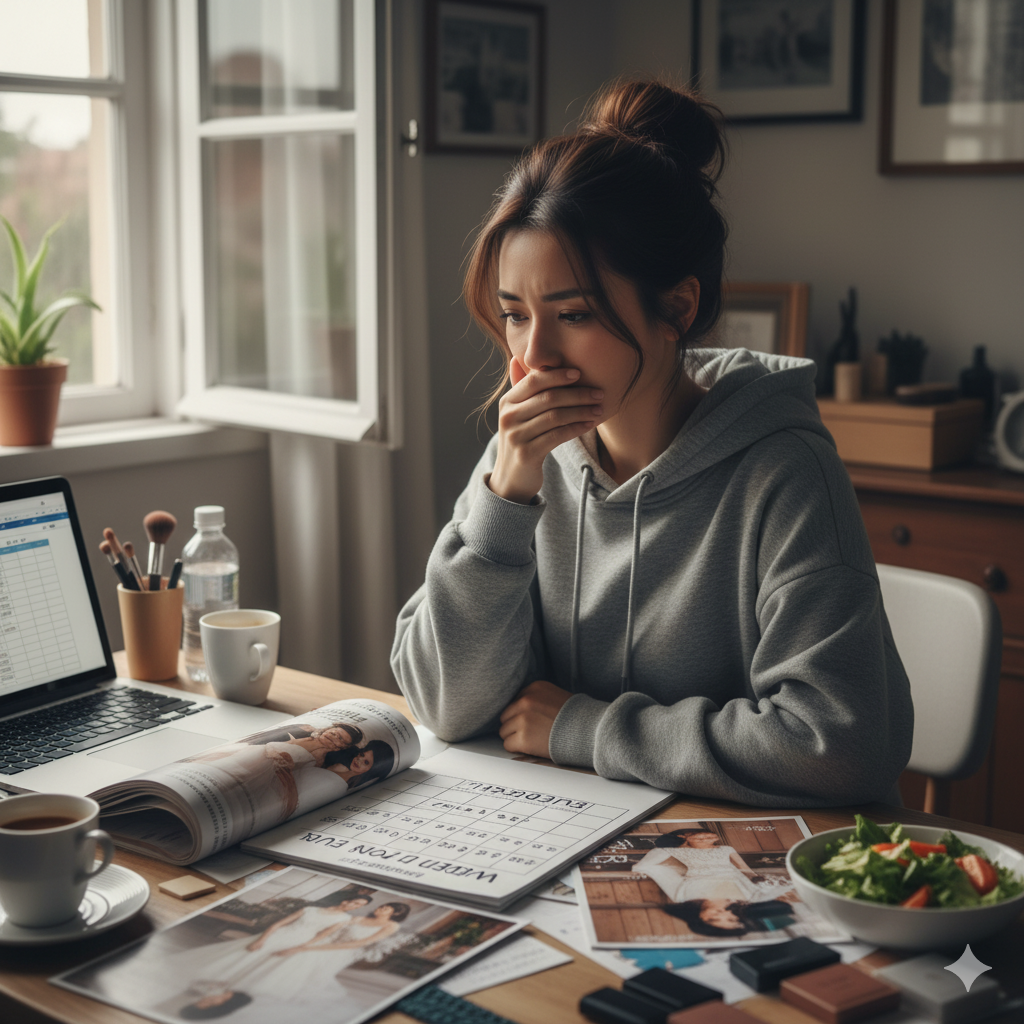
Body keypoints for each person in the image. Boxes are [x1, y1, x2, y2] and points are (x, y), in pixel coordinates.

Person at [390, 77, 913, 807]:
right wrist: (505, 495)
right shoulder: (527, 455)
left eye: (572, 313)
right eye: (515, 315)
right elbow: (446, 705)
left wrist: (587, 728)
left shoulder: (784, 471)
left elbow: (842, 745)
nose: (534, 356)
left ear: (677, 304)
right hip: (569, 842)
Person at [244, 902, 411, 1002]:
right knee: (290, 951)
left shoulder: (391, 926)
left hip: (341, 950)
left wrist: (308, 948)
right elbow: (328, 932)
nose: (380, 909)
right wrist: (306, 943)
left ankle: (275, 991)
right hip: (326, 942)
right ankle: (258, 982)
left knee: (303, 957)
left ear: (394, 913)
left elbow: (360, 943)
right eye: (381, 906)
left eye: (386, 908)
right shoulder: (357, 919)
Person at [631, 828, 766, 903]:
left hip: (731, 879)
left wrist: (753, 876)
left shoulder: (726, 849)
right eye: (698, 838)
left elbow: (743, 867)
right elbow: (644, 865)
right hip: (700, 881)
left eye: (707, 837)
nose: (704, 840)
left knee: (741, 902)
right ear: (684, 839)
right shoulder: (671, 851)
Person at [662, 897, 796, 939]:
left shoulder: (693, 897)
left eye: (711, 919)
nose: (718, 914)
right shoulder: (748, 909)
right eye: (731, 920)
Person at [322, 739, 395, 791]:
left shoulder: (355, 784)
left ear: (372, 769)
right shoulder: (338, 767)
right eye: (362, 754)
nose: (359, 760)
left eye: (366, 762)